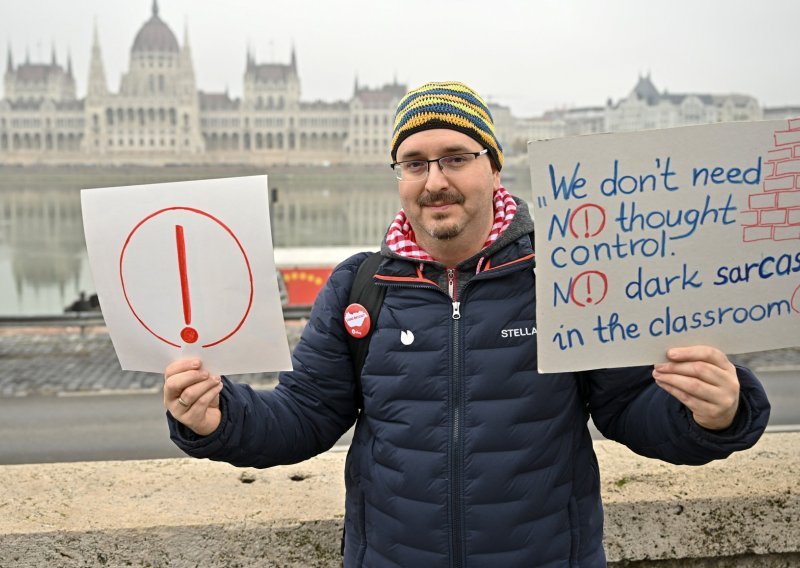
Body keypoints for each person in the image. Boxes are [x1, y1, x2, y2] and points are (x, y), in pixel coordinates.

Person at [164, 81, 770, 567]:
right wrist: (220, 417)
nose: (435, 181)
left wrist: (713, 414)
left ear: (494, 168)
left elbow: (629, 407)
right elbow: (305, 414)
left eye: (456, 157)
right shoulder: (360, 287)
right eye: (415, 162)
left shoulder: (568, 277)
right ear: (399, 176)